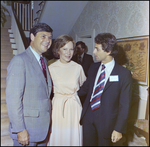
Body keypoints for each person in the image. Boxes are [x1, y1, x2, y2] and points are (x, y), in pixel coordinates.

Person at [78, 33, 132, 146]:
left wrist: (119, 129)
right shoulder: (93, 67)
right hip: (88, 117)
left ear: (108, 51)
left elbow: (125, 104)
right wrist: (67, 94)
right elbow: (85, 89)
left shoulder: (123, 74)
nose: (93, 52)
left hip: (107, 121)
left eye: (97, 49)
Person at [6, 23, 53, 146]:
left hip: (41, 129)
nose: (47, 41)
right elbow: (13, 99)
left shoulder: (43, 61)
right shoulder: (19, 61)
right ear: (32, 37)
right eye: (43, 36)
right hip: (26, 130)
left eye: (49, 38)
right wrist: (20, 129)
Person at [47, 35, 86, 146]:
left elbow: (84, 88)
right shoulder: (51, 68)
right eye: (64, 49)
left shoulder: (78, 67)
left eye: (71, 49)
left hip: (74, 107)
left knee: (73, 137)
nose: (68, 52)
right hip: (58, 107)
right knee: (59, 136)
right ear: (58, 50)